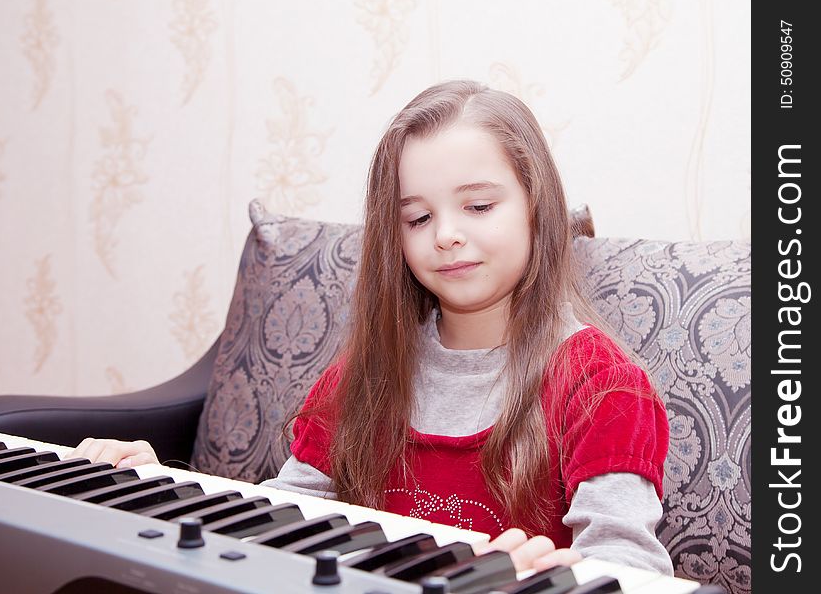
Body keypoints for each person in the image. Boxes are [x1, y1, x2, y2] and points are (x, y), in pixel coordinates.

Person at [68, 80, 673, 575]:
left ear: (537, 204)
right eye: (417, 217)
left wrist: (552, 579)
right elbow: (288, 518)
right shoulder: (368, 372)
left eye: (479, 206)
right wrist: (163, 491)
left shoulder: (601, 385)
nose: (445, 235)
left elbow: (630, 564)